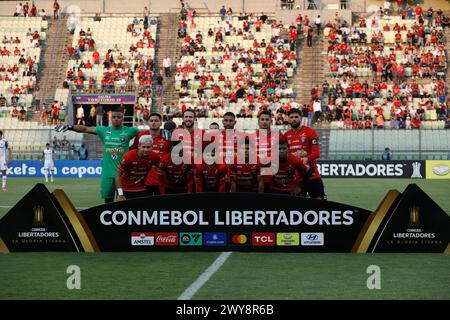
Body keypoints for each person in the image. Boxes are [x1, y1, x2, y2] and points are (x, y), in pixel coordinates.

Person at [55, 106, 140, 203]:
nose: (116, 119)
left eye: (119, 117)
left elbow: (142, 136)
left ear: (122, 119)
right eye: (114, 117)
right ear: (110, 118)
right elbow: (85, 128)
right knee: (108, 202)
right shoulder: (103, 130)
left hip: (123, 174)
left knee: (123, 202)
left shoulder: (130, 131)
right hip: (107, 173)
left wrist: (133, 148)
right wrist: (71, 127)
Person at [283, 108, 326, 200]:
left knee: (320, 202)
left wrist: (304, 160)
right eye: (291, 117)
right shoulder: (286, 135)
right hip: (295, 178)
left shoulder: (310, 132)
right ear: (288, 119)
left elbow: (316, 153)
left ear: (301, 118)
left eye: (296, 117)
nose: (294, 119)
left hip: (312, 174)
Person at [131, 113, 171, 196]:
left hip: (162, 180)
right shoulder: (140, 135)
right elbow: (134, 152)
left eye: (156, 121)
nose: (153, 123)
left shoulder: (167, 137)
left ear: (161, 123)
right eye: (151, 120)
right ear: (148, 122)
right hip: (144, 180)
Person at [116, 135, 159, 201]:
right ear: (139, 146)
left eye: (148, 147)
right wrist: (120, 194)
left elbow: (163, 169)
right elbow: (118, 175)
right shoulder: (128, 156)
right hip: (125, 190)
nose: (146, 150)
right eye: (143, 147)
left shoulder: (154, 156)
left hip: (142, 189)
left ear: (152, 147)